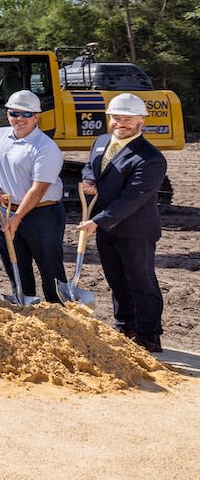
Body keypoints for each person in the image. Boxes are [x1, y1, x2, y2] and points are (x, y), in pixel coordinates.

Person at [79, 93, 167, 352]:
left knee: (141, 281)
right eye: (116, 117)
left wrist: (97, 221)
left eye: (128, 118)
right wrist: (89, 180)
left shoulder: (150, 158)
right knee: (116, 279)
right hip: (107, 228)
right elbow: (89, 167)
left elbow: (132, 198)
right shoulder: (102, 141)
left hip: (136, 230)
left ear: (141, 121)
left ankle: (149, 335)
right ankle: (125, 325)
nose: (121, 123)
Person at [0, 89, 68, 303]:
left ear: (37, 116)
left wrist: (16, 218)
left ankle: (60, 314)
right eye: (13, 113)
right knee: (15, 264)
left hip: (42, 215)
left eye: (26, 114)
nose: (19, 119)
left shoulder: (45, 147)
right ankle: (25, 303)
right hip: (4, 211)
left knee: (50, 269)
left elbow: (38, 189)